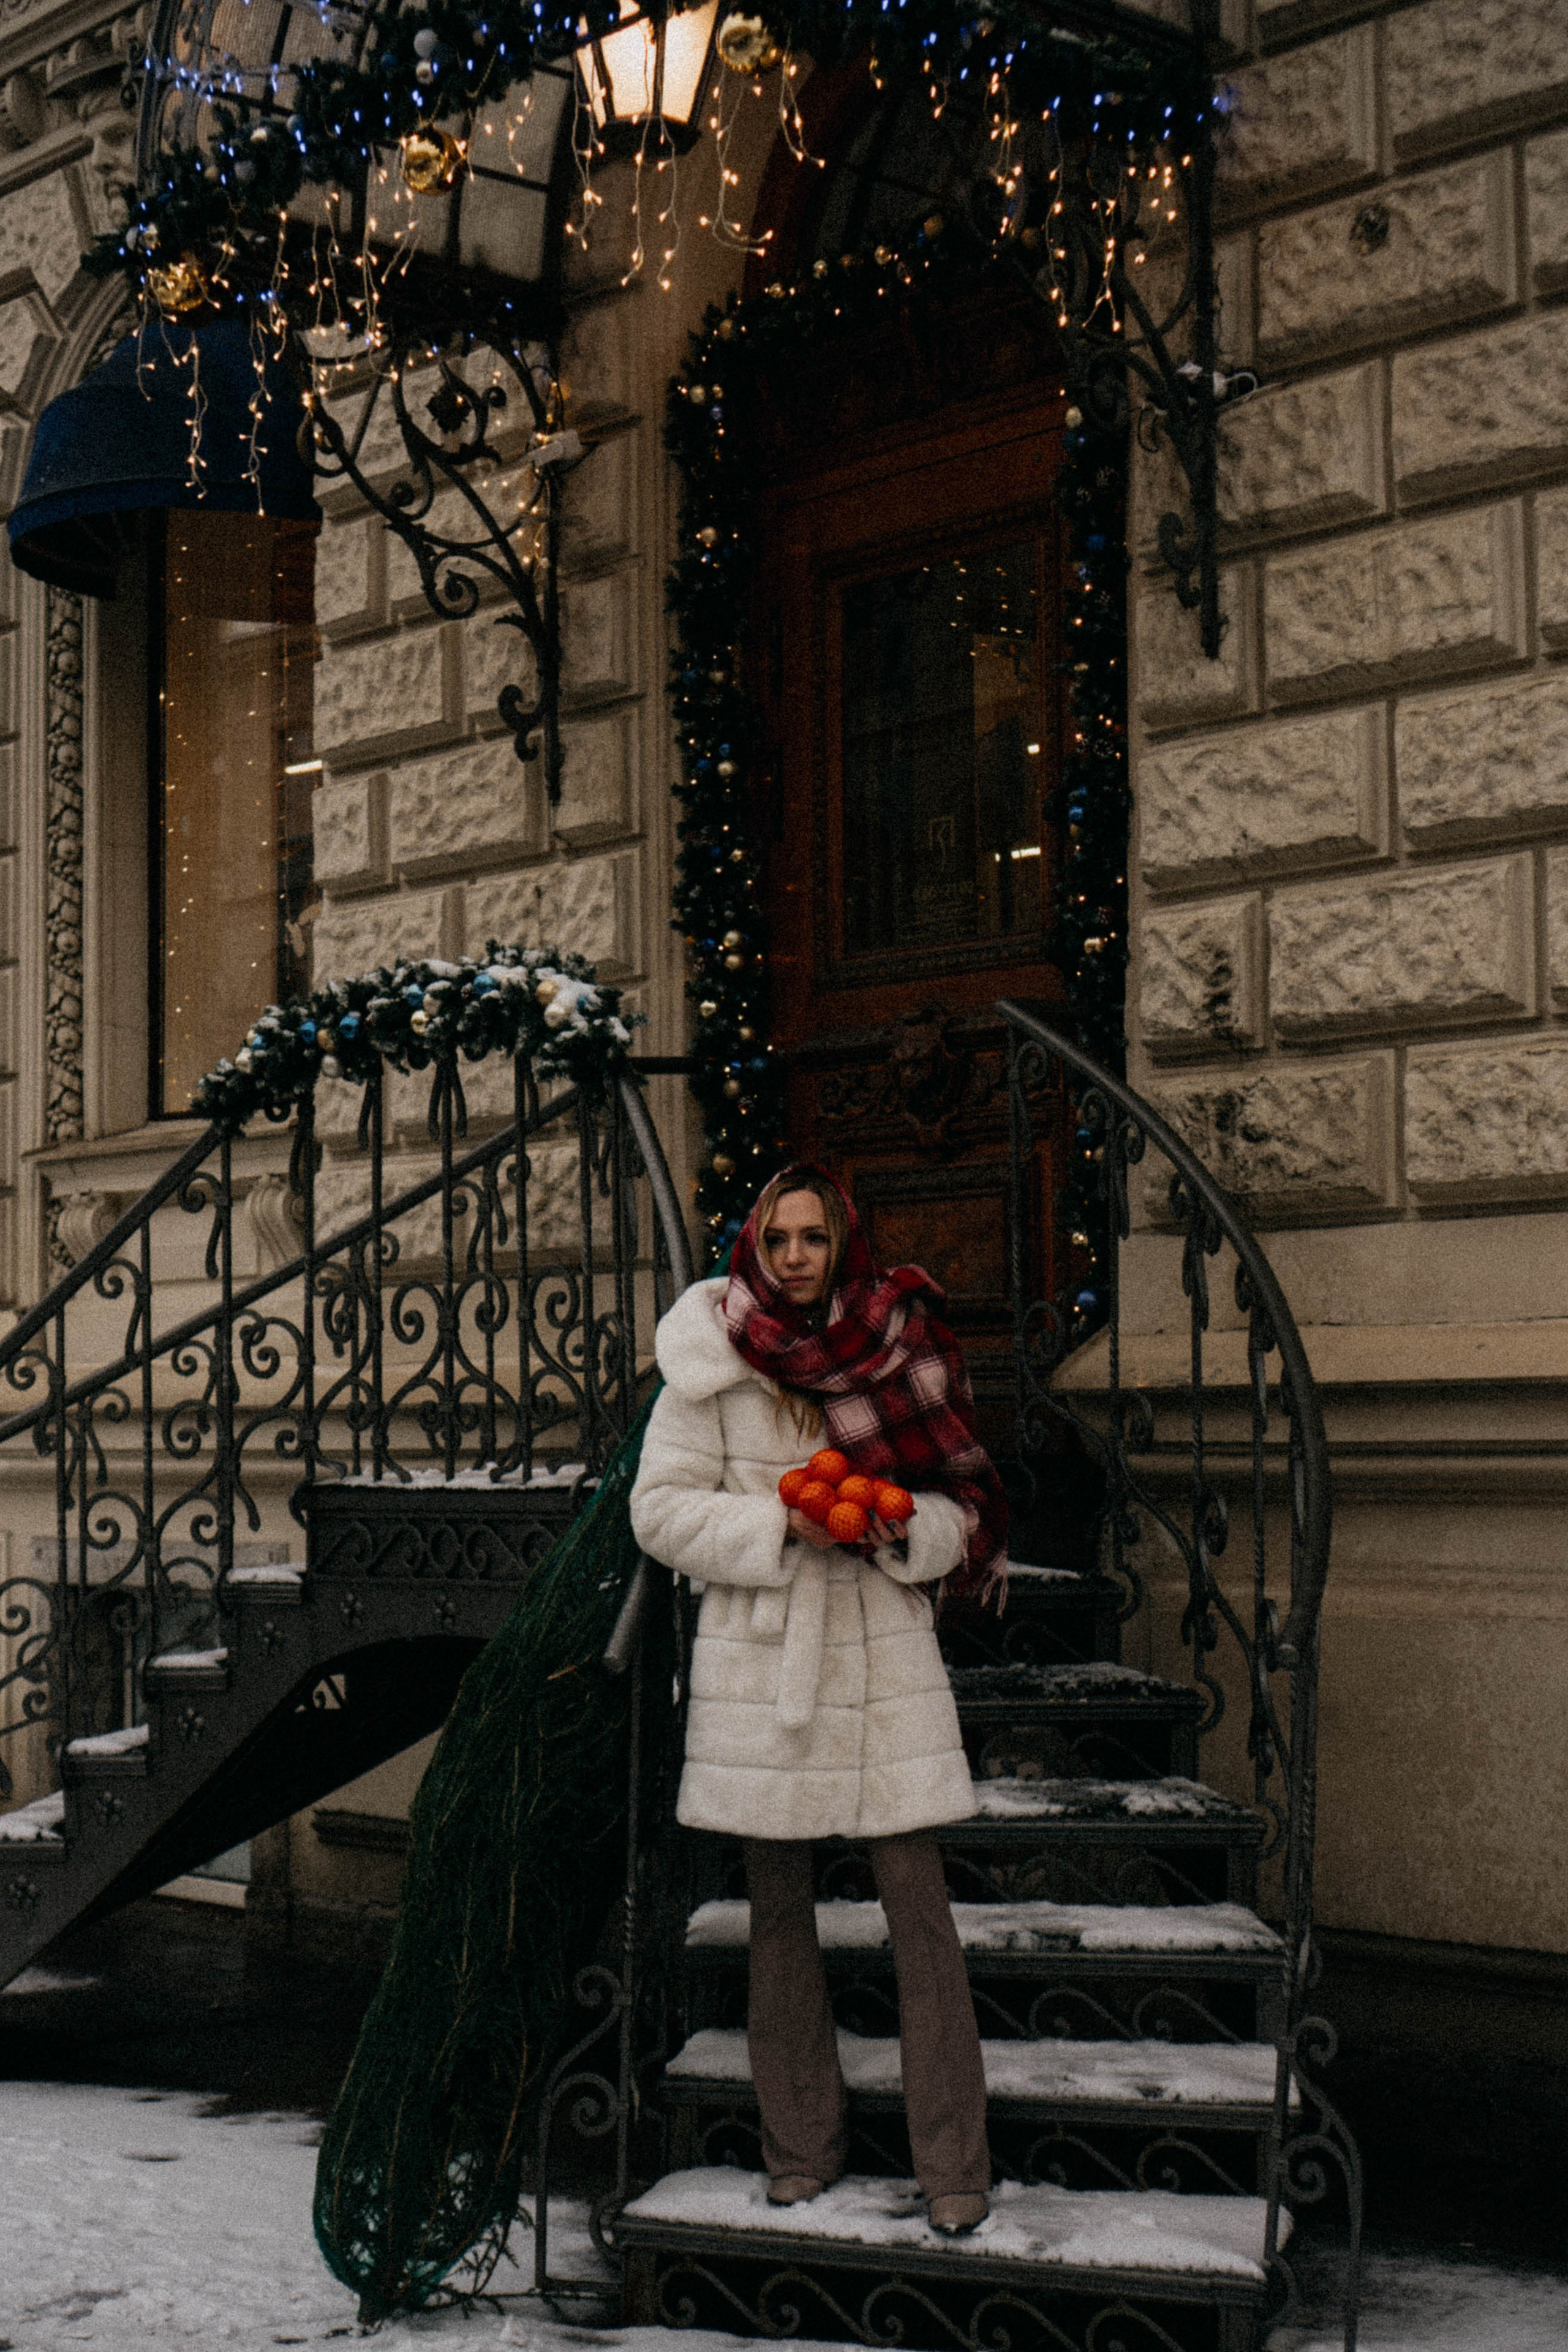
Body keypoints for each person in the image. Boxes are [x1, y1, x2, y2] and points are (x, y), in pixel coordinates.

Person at [630, 1164, 1008, 2236]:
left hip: (884, 1651)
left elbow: (958, 1507)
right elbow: (658, 1513)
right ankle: (799, 2147)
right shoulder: (711, 1361)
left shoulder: (901, 1346)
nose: (796, 1257)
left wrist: (900, 1533)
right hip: (768, 1665)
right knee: (779, 1920)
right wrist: (775, 1531)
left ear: (843, 1242)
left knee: (918, 1912)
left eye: (814, 1238)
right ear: (756, 1244)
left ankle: (954, 2168)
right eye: (779, 1238)